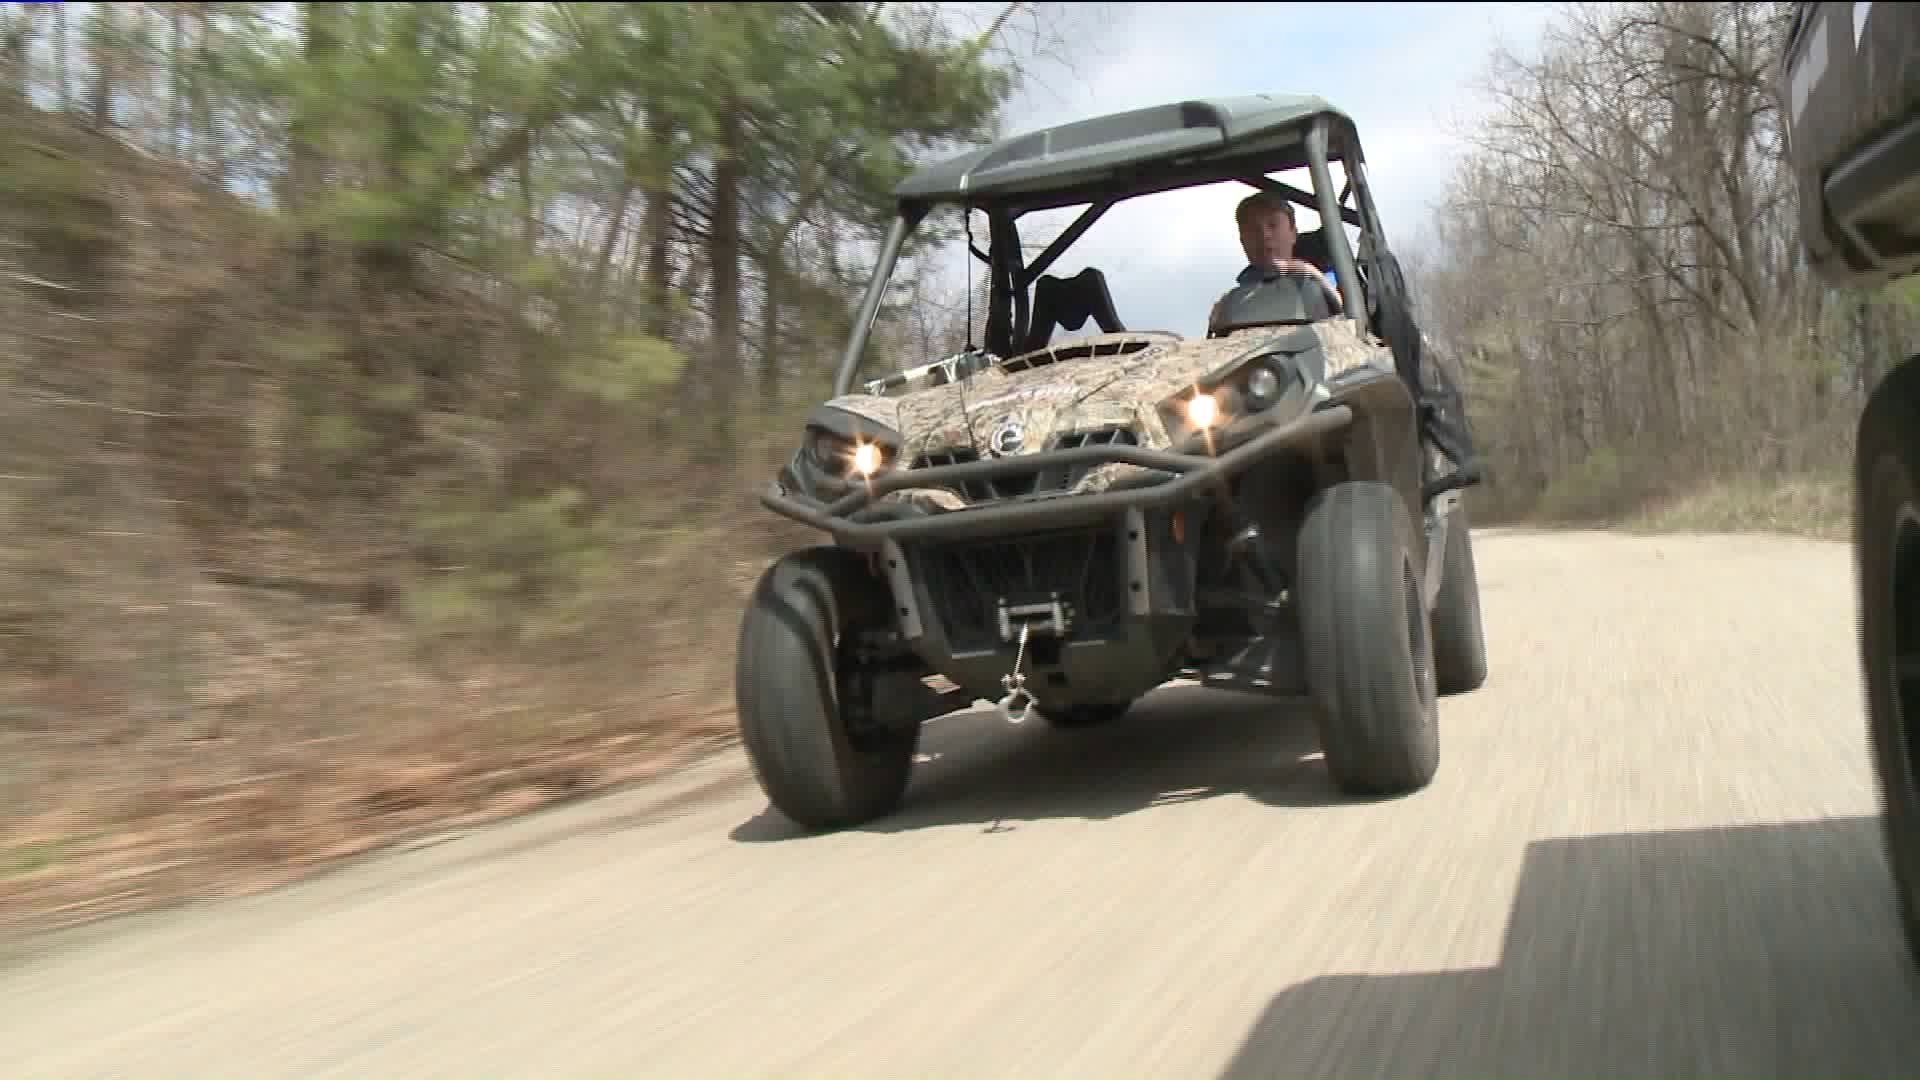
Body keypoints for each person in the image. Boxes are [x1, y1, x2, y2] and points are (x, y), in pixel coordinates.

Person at [1207, 190, 1343, 332]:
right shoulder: (1231, 303)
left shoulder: (1331, 280)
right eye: (1254, 229)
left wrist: (1310, 273)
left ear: (1293, 233)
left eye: (1273, 225)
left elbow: (1351, 324)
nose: (1264, 235)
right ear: (1243, 241)